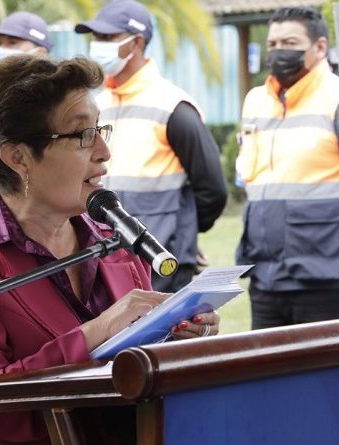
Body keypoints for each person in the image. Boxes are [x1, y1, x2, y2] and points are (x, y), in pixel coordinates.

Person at [0, 55, 221, 445]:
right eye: (82, 135)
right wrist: (98, 331)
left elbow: (141, 373)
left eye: (100, 129)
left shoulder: (113, 239)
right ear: (18, 157)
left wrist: (180, 342)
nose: (104, 152)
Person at [74, 0, 228, 293]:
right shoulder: (97, 103)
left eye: (107, 38)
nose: (97, 45)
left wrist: (183, 235)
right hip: (107, 259)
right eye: (95, 38)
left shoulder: (173, 107)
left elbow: (213, 190)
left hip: (161, 262)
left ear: (137, 43)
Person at [234, 7, 339, 330]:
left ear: (320, 48)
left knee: (333, 378)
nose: (279, 51)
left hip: (328, 278)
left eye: (289, 42)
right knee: (268, 376)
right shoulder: (255, 100)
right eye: (273, 44)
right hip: (266, 278)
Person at [0, 11, 54, 193]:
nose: (2, 50)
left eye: (12, 43)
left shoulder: (54, 104)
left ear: (40, 52)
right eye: (0, 43)